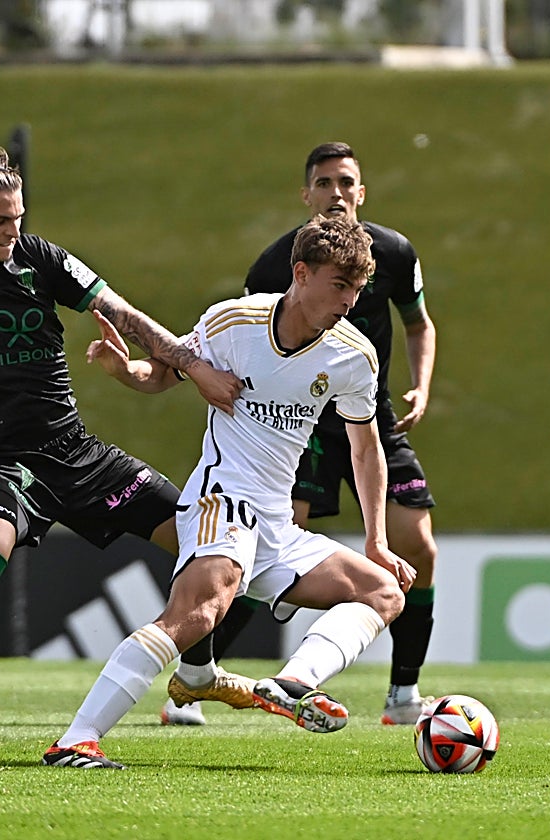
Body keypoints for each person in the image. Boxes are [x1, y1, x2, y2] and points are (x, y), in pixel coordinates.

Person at [0, 68, 242, 764]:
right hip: (1, 459)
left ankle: (196, 674)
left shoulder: (39, 259)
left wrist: (187, 362)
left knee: (201, 541)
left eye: (18, 218)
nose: (13, 231)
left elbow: (120, 311)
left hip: (75, 451)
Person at [42, 215, 417, 769]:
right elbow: (163, 375)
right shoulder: (233, 322)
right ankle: (76, 740)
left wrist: (377, 541)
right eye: (340, 285)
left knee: (384, 592)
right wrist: (126, 372)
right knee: (200, 611)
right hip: (223, 499)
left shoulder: (353, 355)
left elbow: (366, 450)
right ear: (301, 274)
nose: (349, 301)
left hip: (278, 525)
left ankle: (291, 683)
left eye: (358, 289)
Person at [161, 141, 439, 728]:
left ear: (362, 192)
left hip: (371, 418)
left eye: (347, 182)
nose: (337, 193)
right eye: (325, 183)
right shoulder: (274, 264)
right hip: (298, 426)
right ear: (307, 194)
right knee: (262, 546)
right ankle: (197, 674)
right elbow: (243, 348)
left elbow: (419, 324)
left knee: (417, 545)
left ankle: (403, 693)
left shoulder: (394, 251)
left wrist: (422, 384)